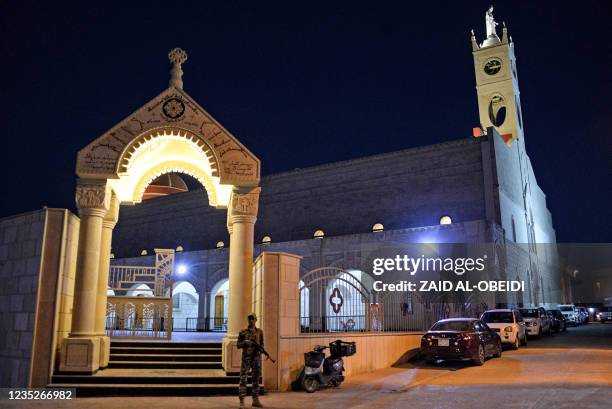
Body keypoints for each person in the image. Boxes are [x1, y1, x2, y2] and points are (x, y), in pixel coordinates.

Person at [237, 313, 264, 408]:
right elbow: (238, 345)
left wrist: (260, 350)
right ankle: (242, 401)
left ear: (256, 320)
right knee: (243, 379)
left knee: (256, 379)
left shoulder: (260, 332)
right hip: (246, 359)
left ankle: (255, 399)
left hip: (256, 359)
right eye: (249, 319)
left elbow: (262, 345)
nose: (251, 320)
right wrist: (245, 342)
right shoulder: (243, 332)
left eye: (252, 319)